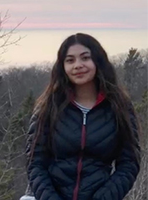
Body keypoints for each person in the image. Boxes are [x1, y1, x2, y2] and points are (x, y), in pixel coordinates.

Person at [25, 33, 141, 200]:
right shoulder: (49, 107)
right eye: (70, 60)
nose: (78, 65)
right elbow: (35, 162)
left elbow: (129, 163)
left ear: (98, 61)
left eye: (85, 58)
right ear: (62, 67)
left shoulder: (119, 107)